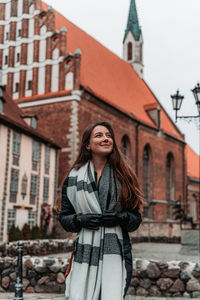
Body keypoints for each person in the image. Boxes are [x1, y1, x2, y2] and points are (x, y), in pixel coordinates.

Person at [59, 121, 144, 300]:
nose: (106, 139)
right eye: (99, 135)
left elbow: (135, 220)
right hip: (84, 253)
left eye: (108, 135)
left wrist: (121, 217)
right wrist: (80, 220)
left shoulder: (125, 176)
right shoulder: (73, 178)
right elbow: (65, 218)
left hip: (118, 254)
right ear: (88, 145)